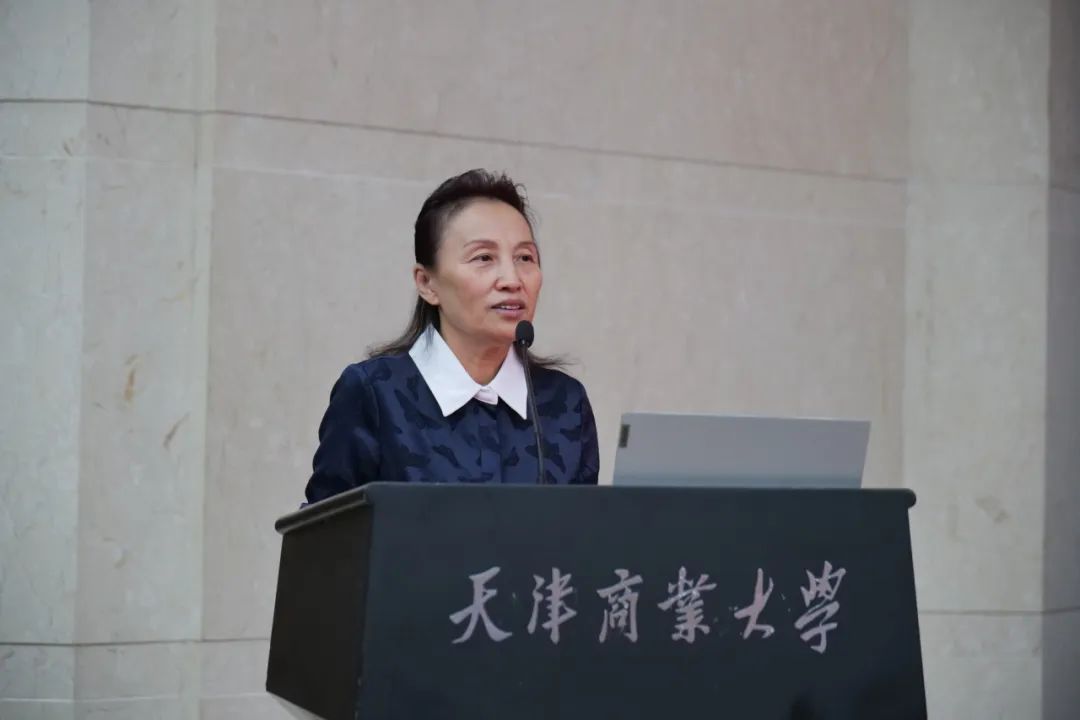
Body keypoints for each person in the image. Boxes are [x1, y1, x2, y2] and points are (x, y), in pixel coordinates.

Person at [304, 169, 600, 503]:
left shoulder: (564, 403)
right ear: (426, 283)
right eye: (484, 258)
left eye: (525, 258)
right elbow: (324, 530)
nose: (512, 279)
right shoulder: (375, 395)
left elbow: (586, 532)